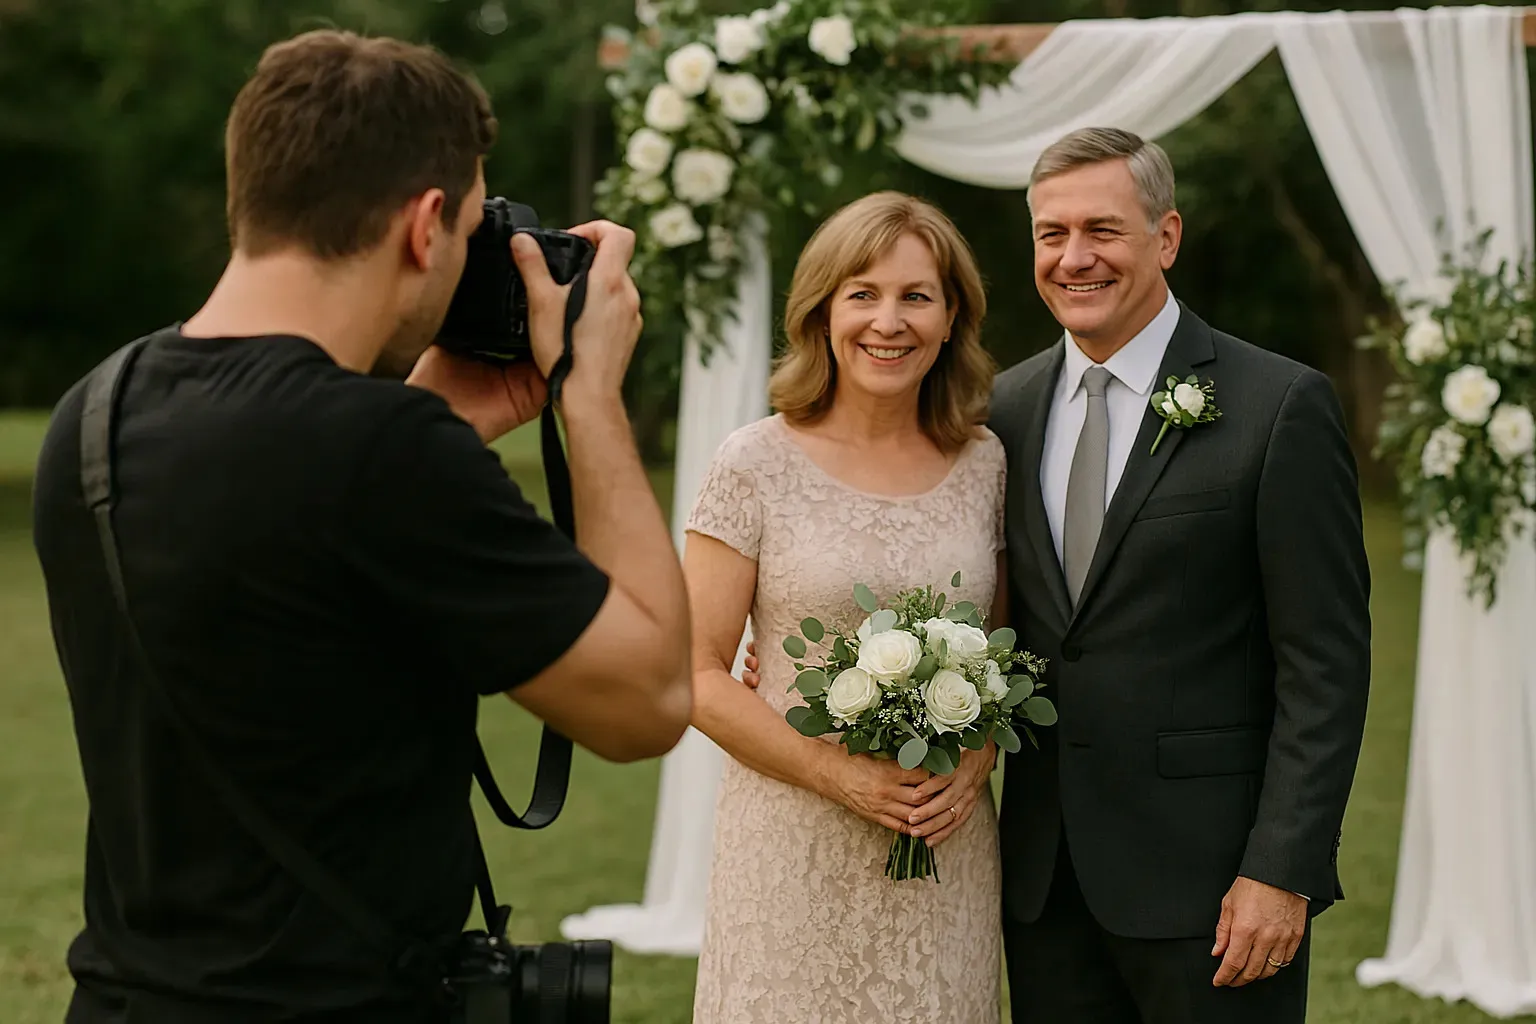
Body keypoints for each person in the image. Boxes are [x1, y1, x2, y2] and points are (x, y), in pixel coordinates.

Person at [30, 30, 691, 1023]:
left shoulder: (94, 413)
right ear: (425, 226)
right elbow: (649, 699)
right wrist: (588, 394)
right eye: (470, 228)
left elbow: (283, 594)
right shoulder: (383, 454)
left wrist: (441, 422)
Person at [985, 127, 1372, 1022]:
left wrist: (1283, 869)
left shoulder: (1279, 406)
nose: (1073, 258)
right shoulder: (1002, 411)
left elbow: (1325, 663)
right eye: (1051, 234)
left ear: (1166, 237)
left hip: (1217, 892)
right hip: (1045, 887)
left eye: (1102, 230)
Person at [683, 191, 1006, 1024]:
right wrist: (843, 777)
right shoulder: (753, 462)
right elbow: (696, 675)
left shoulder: (986, 463)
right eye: (863, 293)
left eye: (916, 296)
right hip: (791, 843)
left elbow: (1005, 653)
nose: (887, 322)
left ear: (951, 318)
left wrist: (974, 762)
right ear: (822, 311)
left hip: (943, 845)